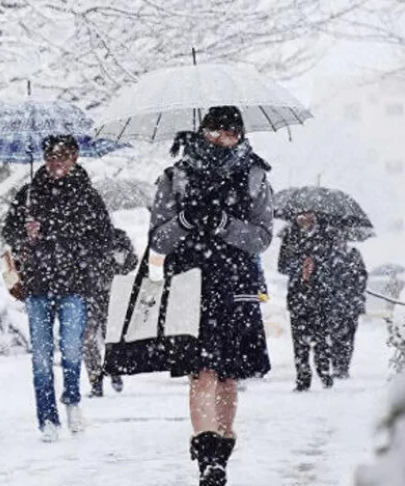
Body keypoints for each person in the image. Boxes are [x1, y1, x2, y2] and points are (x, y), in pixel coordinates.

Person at [147, 106, 273, 486]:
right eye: (214, 131)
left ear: (240, 134)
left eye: (230, 132)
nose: (221, 139)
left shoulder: (254, 175)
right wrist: (185, 221)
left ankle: (223, 448)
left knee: (228, 375)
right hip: (190, 284)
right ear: (202, 132)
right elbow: (158, 239)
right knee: (201, 372)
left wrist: (223, 224)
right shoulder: (176, 177)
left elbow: (262, 238)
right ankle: (208, 461)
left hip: (237, 285)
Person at [1, 134, 114, 443]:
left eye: (63, 156)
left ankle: (73, 400)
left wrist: (64, 239)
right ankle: (47, 418)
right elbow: (9, 232)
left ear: (75, 158)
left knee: (72, 349)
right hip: (37, 285)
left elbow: (104, 238)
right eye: (51, 156)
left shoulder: (88, 196)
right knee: (40, 356)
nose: (56, 163)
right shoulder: (28, 194)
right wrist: (25, 234)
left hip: (74, 285)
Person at [277, 212, 336, 392]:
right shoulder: (289, 236)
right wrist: (300, 267)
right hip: (297, 296)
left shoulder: (325, 236)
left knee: (321, 339)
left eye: (307, 214)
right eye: (299, 214)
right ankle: (303, 377)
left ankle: (324, 371)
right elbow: (282, 266)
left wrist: (315, 265)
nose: (303, 218)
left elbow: (331, 265)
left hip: (320, 297)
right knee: (299, 342)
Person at [84, 228, 139, 397]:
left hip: (99, 292)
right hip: (100, 292)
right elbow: (131, 261)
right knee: (97, 337)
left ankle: (102, 377)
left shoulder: (114, 236)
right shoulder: (115, 236)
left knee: (94, 338)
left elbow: (131, 261)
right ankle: (103, 376)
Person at [327, 234, 367, 378]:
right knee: (335, 336)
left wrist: (356, 288)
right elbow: (326, 278)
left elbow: (363, 275)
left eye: (342, 239)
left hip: (352, 303)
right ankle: (337, 366)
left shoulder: (354, 254)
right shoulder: (329, 255)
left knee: (349, 336)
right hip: (335, 304)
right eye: (337, 239)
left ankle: (344, 366)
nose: (340, 242)